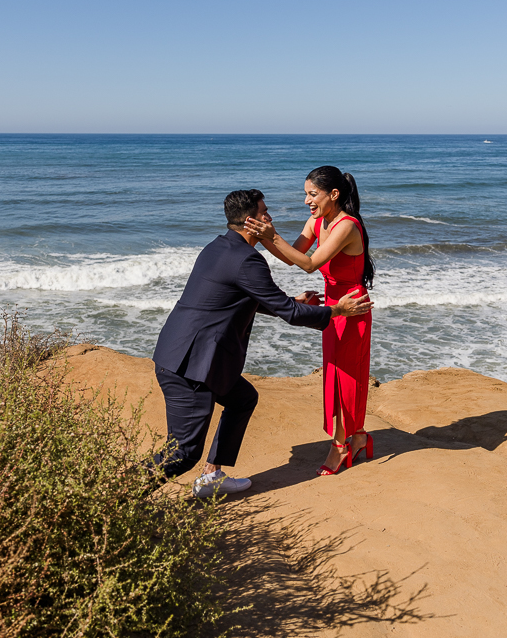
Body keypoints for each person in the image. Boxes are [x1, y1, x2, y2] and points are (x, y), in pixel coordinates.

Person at [152, 188, 373, 497]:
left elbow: (245, 298)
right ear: (250, 222)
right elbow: (291, 314)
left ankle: (212, 475)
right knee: (182, 453)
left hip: (192, 354)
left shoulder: (217, 247)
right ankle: (113, 497)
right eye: (265, 212)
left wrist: (292, 300)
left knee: (243, 398)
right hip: (190, 366)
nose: (270, 217)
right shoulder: (248, 261)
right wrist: (337, 310)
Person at [245, 166, 375, 476]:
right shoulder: (318, 221)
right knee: (333, 372)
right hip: (333, 305)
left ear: (334, 194)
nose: (307, 201)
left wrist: (272, 234)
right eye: (306, 194)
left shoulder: (346, 225)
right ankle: (356, 437)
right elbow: (292, 256)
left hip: (351, 305)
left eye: (312, 194)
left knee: (347, 376)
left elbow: (310, 264)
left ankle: (340, 446)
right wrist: (264, 238)